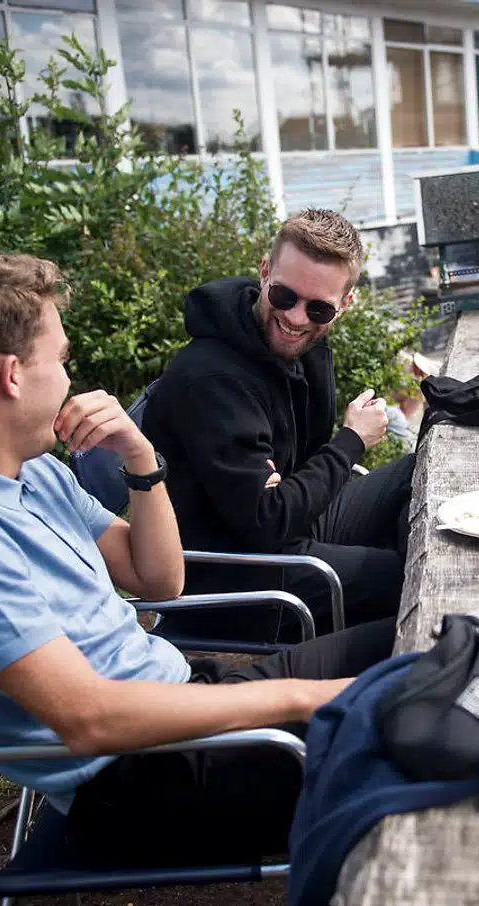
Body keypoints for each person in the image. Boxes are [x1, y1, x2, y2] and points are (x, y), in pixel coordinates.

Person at [0, 251, 396, 866]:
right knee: (425, 729)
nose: (69, 376)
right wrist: (306, 698)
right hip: (143, 782)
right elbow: (90, 719)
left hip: (182, 700)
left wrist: (142, 460)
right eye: (60, 359)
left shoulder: (30, 471)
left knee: (429, 636)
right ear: (12, 375)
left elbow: (159, 580)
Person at [142, 209, 414, 643]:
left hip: (288, 528)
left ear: (343, 306)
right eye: (285, 296)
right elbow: (266, 520)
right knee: (409, 575)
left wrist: (284, 491)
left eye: (320, 308)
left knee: (419, 472)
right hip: (235, 572)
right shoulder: (213, 382)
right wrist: (351, 442)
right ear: (265, 273)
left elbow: (292, 483)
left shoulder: (301, 348)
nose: (298, 319)